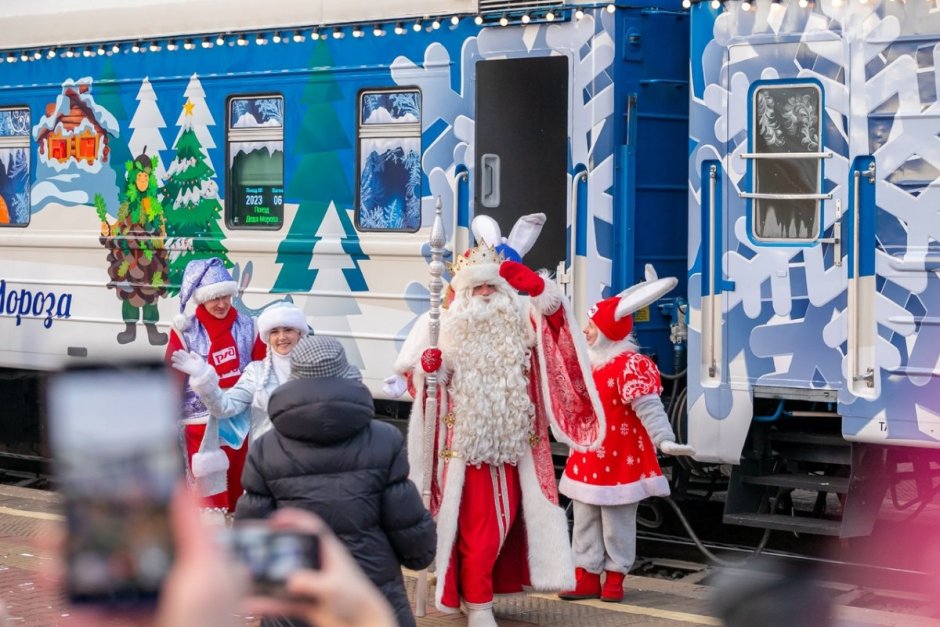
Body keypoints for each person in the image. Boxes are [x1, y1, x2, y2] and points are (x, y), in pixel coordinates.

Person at [388, 214, 605, 626]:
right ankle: (480, 605)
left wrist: (541, 289)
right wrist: (430, 369)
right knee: (479, 533)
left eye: (492, 286)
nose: (486, 294)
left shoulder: (522, 321)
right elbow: (424, 385)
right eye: (478, 287)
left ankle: (477, 596)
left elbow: (560, 331)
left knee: (505, 529)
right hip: (464, 451)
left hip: (514, 447)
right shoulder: (446, 325)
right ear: (465, 294)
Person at [235, 335, 435, 627]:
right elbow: (406, 523)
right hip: (370, 594)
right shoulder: (384, 438)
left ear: (294, 378)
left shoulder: (265, 449)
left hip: (297, 597)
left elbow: (254, 537)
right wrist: (420, 554)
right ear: (346, 374)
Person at [557, 265, 695, 603]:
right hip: (589, 453)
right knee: (585, 516)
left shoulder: (630, 367)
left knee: (617, 522)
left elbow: (650, 408)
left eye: (592, 326)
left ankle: (615, 577)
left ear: (608, 332)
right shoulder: (588, 364)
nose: (586, 331)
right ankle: (586, 575)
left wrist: (664, 439)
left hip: (621, 458)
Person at [164, 257, 266, 514]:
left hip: (238, 423)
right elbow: (172, 378)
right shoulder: (185, 332)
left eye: (226, 296)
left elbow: (263, 368)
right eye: (214, 298)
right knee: (208, 496)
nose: (221, 304)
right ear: (202, 298)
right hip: (201, 427)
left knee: (239, 485)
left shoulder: (249, 326)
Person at [170, 302, 308, 444]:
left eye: (288, 330)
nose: (281, 337)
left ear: (299, 333)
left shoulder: (316, 368)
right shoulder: (256, 372)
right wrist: (204, 377)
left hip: (307, 458)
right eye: (274, 331)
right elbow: (225, 407)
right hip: (266, 460)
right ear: (268, 337)